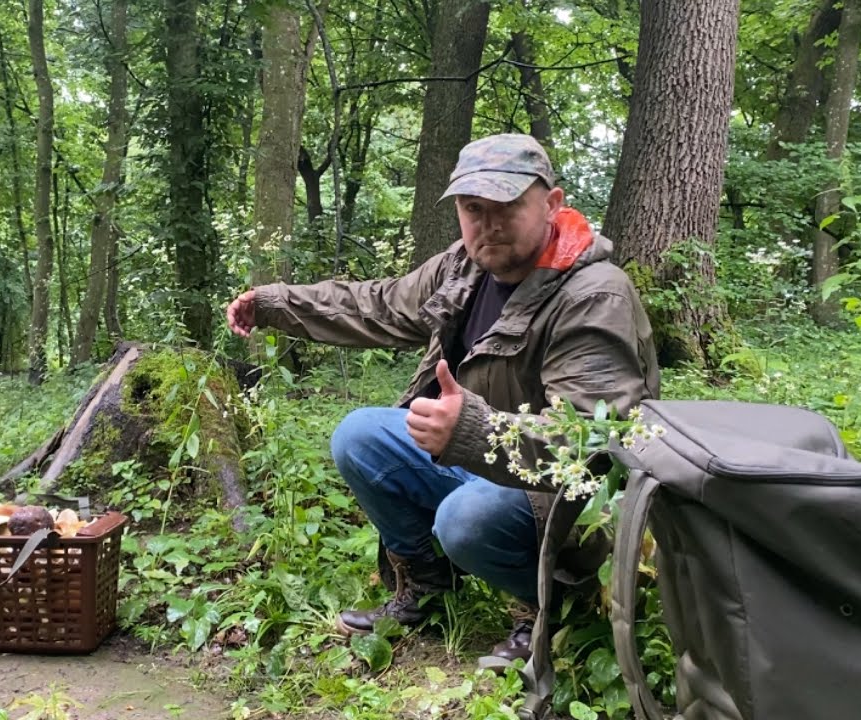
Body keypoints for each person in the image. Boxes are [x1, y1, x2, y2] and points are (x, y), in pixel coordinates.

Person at [225, 133, 659, 666]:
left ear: (551, 204)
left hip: (568, 504)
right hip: (486, 462)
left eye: (506, 206)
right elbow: (378, 305)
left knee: (465, 517)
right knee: (360, 435)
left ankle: (555, 606)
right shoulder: (465, 267)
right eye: (473, 208)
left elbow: (591, 444)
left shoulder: (594, 295)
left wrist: (470, 428)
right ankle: (427, 587)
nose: (488, 224)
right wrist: (274, 303)